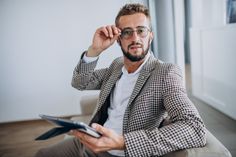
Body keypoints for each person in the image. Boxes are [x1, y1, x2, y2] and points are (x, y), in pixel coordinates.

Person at [35, 3, 206, 157]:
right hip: (88, 141)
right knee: (41, 154)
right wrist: (94, 50)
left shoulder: (166, 72)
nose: (135, 38)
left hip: (121, 153)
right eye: (127, 32)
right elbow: (80, 82)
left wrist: (123, 142)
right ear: (118, 39)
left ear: (150, 35)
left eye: (141, 30)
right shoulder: (117, 65)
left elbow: (195, 128)